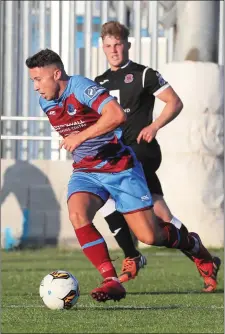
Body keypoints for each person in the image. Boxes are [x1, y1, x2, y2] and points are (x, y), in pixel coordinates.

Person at [26, 49, 218, 304]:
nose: (36, 88)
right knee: (77, 214)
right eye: (33, 82)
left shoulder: (81, 86)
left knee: (151, 237)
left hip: (120, 167)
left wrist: (80, 137)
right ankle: (111, 280)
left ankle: (196, 248)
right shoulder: (46, 102)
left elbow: (117, 115)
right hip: (87, 171)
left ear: (56, 73)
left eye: (39, 80)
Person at [95, 21, 221, 292]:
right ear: (102, 48)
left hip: (141, 151)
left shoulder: (144, 74)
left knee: (103, 191)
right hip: (118, 155)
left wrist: (154, 126)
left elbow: (175, 102)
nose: (114, 50)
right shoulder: (100, 82)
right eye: (108, 46)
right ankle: (205, 259)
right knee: (162, 215)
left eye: (118, 44)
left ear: (127, 45)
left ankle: (131, 255)